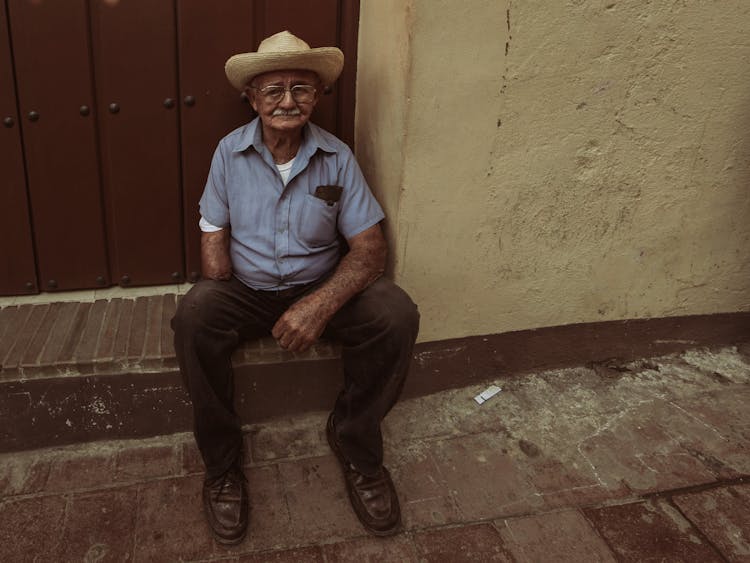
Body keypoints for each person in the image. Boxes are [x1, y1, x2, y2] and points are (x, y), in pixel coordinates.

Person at [171, 30, 420, 545]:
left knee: (395, 313)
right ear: (252, 98)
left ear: (317, 96)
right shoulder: (228, 154)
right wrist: (222, 266)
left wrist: (320, 304)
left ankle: (355, 444)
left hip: (320, 284)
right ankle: (222, 465)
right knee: (195, 316)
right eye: (275, 90)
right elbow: (213, 240)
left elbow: (369, 251)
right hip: (246, 288)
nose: (288, 101)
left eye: (302, 89)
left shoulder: (337, 157)